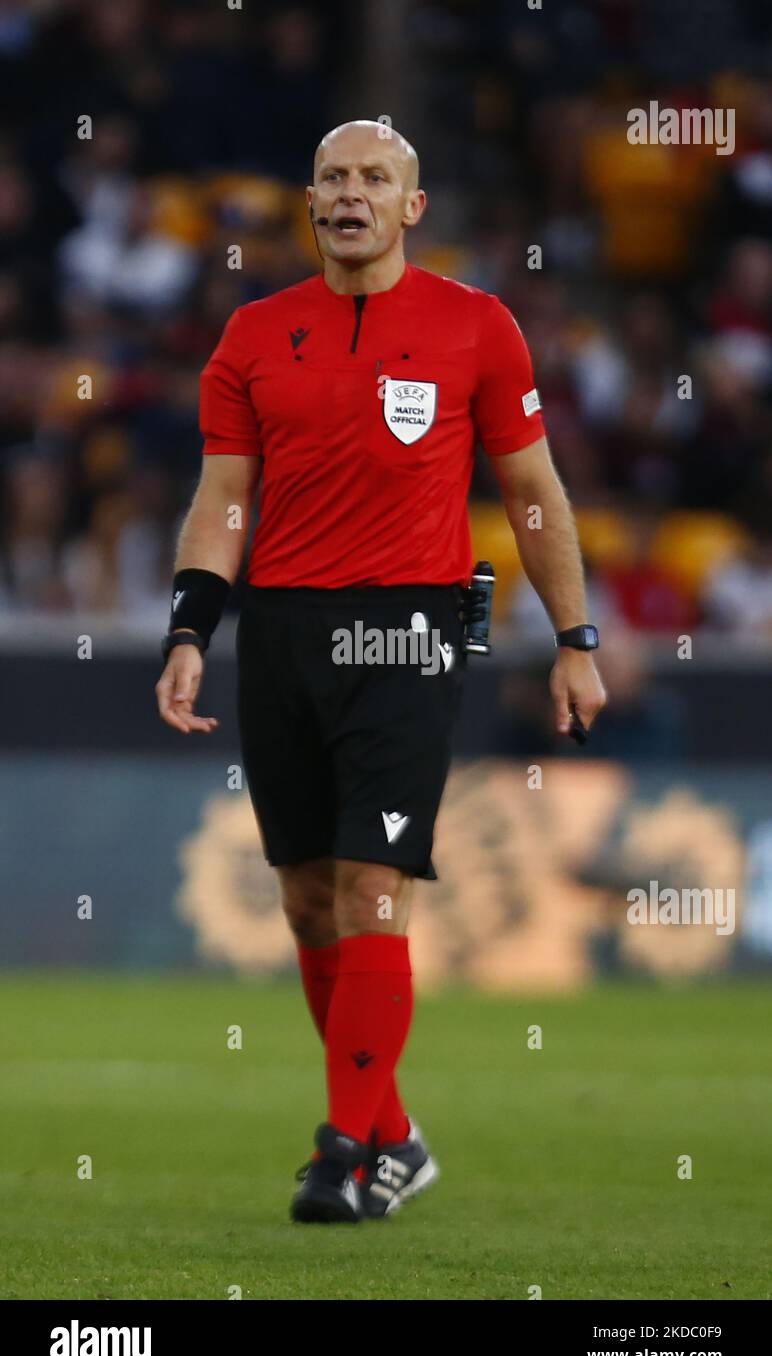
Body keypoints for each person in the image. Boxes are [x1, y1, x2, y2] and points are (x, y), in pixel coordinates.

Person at [155, 120, 606, 1224]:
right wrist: (187, 631)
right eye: (334, 179)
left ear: (412, 207)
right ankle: (396, 1135)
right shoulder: (254, 336)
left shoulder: (475, 326)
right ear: (310, 203)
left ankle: (345, 1152)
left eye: (375, 179)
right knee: (309, 900)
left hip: (408, 630)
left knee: (372, 889)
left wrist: (576, 638)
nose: (351, 194)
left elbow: (532, 490)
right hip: (281, 632)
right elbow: (222, 501)